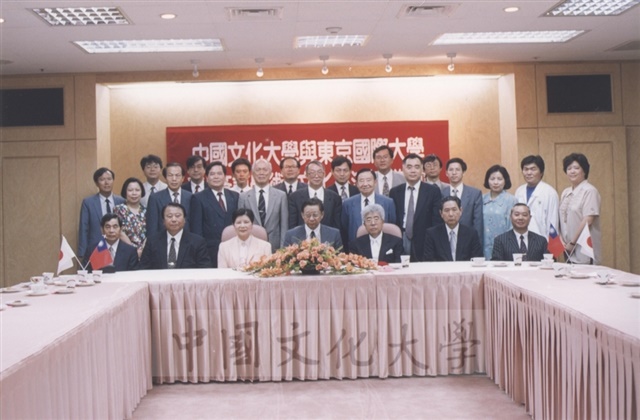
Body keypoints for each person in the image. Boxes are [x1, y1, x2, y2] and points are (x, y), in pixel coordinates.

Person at [389, 153, 442, 261]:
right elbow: (392, 219)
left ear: (422, 169)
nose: (413, 171)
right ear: (403, 169)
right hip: (401, 237)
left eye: (417, 167)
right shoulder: (395, 192)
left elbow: (436, 220)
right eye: (409, 167)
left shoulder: (433, 191)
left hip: (424, 238)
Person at [190, 161, 239, 267]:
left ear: (225, 177)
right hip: (209, 251)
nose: (216, 177)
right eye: (212, 174)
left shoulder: (235, 196)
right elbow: (197, 230)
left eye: (219, 173)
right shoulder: (198, 198)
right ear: (206, 177)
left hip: (233, 250)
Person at [559, 153, 601, 264]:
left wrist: (572, 243)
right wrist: (561, 240)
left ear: (584, 171)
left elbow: (588, 220)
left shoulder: (590, 191)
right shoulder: (566, 192)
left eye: (576, 168)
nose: (572, 171)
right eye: (569, 168)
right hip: (567, 248)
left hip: (584, 247)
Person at [140, 203, 211, 269]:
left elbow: (205, 268)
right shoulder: (152, 242)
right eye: (169, 216)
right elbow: (143, 269)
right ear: (163, 221)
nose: (174, 220)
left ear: (184, 220)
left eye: (178, 216)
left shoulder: (197, 242)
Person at [238, 158, 289, 252]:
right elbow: (240, 225)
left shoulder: (281, 196)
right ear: (252, 173)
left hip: (275, 248)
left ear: (270, 173)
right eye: (258, 170)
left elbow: (284, 226)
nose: (261, 173)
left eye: (265, 170)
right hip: (250, 247)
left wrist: (283, 250)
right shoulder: (244, 197)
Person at [341, 168, 396, 252]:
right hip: (356, 249)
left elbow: (392, 224)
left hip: (383, 248)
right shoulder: (348, 203)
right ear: (357, 184)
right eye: (361, 181)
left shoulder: (388, 202)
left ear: (375, 182)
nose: (365, 184)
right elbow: (344, 228)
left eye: (368, 180)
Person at [78, 167, 125, 263]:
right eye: (102, 179)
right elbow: (84, 228)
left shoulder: (121, 201)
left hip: (118, 247)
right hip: (97, 248)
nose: (106, 182)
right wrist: (82, 253)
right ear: (96, 183)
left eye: (109, 179)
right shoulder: (88, 202)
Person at [423, 196, 483, 262]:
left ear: (460, 211)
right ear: (441, 213)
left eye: (454, 210)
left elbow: (477, 259)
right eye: (447, 210)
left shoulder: (471, 234)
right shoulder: (432, 234)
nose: (451, 214)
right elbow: (429, 261)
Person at [288, 160, 341, 230]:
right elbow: (292, 226)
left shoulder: (335, 197)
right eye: (312, 172)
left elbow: (337, 226)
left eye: (319, 172)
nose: (316, 176)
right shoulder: (295, 197)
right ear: (306, 175)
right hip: (302, 236)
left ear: (324, 174)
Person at [514, 155, 559, 238]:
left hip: (542, 240)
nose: (529, 173)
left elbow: (553, 222)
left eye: (533, 169)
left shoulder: (550, 193)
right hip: (521, 239)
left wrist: (550, 243)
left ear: (541, 172)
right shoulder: (519, 191)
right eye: (526, 169)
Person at [443, 157, 483, 246]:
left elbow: (478, 222)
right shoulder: (441, 193)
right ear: (446, 173)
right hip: (446, 239)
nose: (454, 173)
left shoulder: (475, 194)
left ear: (463, 172)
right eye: (451, 170)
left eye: (457, 170)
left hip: (468, 239)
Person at [146, 162, 192, 238]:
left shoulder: (190, 197)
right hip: (163, 241)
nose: (174, 179)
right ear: (165, 178)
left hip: (187, 241)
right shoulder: (155, 198)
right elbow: (152, 227)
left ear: (183, 178)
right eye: (170, 175)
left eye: (177, 175)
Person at [482, 165, 518, 260]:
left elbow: (513, 226)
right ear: (487, 180)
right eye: (492, 179)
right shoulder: (482, 199)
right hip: (483, 246)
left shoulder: (511, 200)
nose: (495, 182)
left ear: (505, 180)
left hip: (504, 245)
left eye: (499, 179)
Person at [113, 177, 147, 259]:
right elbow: (119, 232)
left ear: (141, 192)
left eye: (137, 190)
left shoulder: (146, 210)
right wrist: (134, 251)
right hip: (126, 252)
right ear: (125, 192)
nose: (134, 193)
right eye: (130, 190)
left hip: (144, 253)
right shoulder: (119, 209)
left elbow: (150, 233)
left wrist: (142, 249)